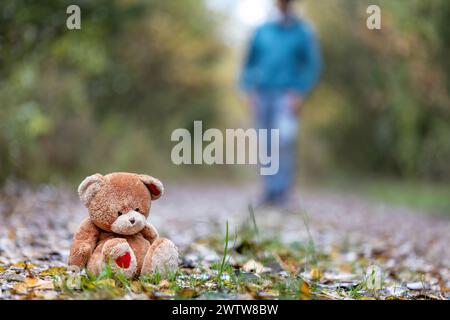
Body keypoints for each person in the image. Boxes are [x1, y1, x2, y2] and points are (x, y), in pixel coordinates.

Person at [240, 0, 322, 207]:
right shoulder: (262, 30)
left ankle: (282, 192)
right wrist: (248, 88)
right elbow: (249, 63)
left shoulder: (302, 31)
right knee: (266, 143)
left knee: (283, 141)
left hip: (287, 95)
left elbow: (312, 65)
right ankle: (269, 191)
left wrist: (300, 91)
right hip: (262, 94)